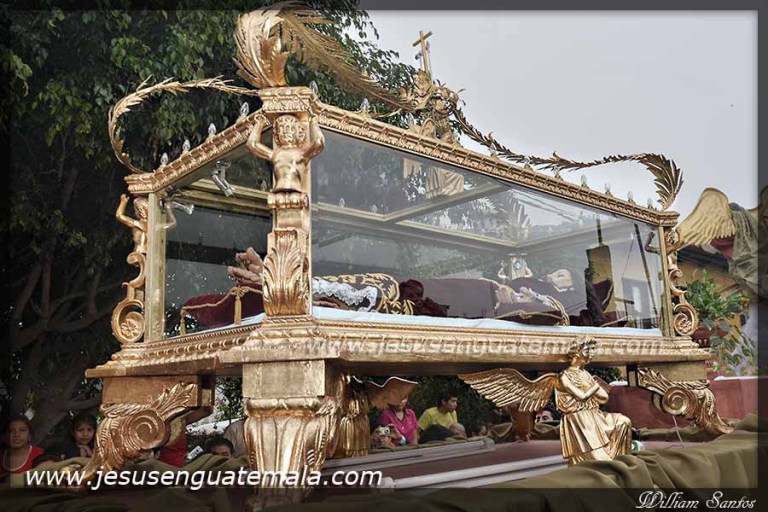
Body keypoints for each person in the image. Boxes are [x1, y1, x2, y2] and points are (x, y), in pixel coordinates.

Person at [556, 337, 631, 465]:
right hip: (579, 419)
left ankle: (621, 462)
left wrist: (592, 387)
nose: (591, 354)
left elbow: (604, 398)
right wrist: (595, 387)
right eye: (587, 350)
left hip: (594, 415)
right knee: (600, 460)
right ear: (576, 353)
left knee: (623, 421)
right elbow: (582, 396)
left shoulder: (585, 374)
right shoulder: (564, 376)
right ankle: (606, 463)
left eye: (592, 350)